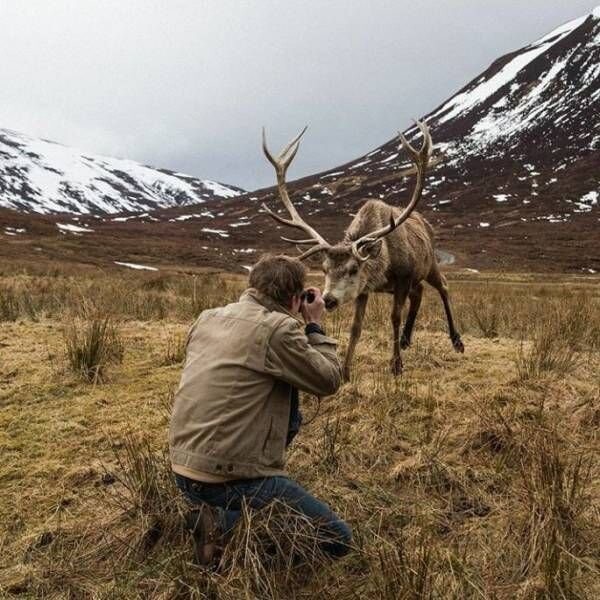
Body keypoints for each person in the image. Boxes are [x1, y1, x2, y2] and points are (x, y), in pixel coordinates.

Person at [169, 254, 350, 564]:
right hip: (228, 480)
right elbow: (329, 379)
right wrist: (314, 325)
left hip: (183, 470)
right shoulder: (278, 329)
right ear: (295, 298)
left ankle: (210, 516)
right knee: (336, 538)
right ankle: (225, 530)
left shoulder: (207, 317)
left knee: (283, 392)